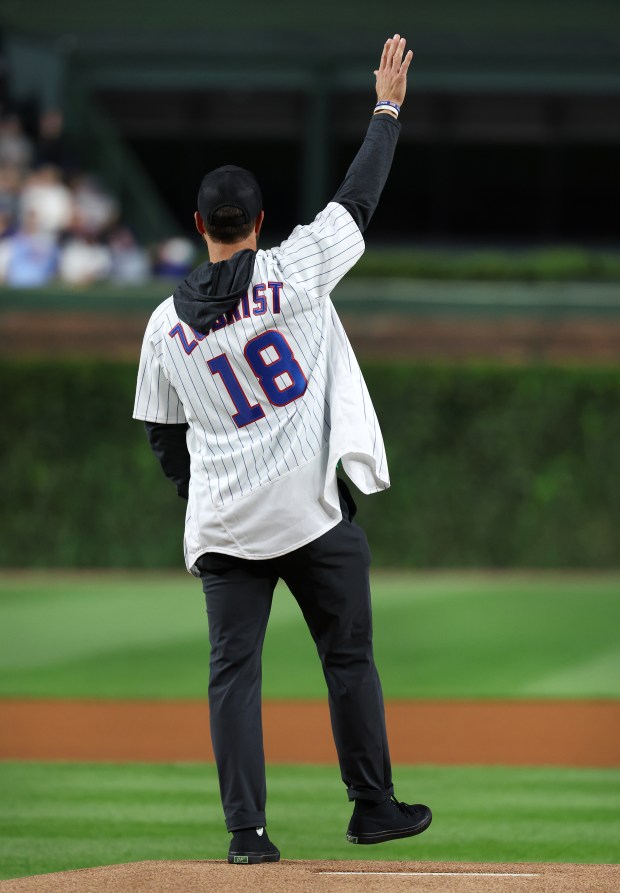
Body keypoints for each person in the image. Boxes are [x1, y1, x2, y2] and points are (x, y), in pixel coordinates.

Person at [133, 34, 432, 864]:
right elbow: (359, 198)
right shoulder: (297, 271)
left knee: (234, 674)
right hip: (309, 514)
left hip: (226, 526)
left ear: (199, 226)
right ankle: (372, 806)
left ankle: (247, 835)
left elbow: (163, 436)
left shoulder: (163, 324)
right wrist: (386, 108)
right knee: (350, 659)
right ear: (258, 223)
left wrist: (207, 489)